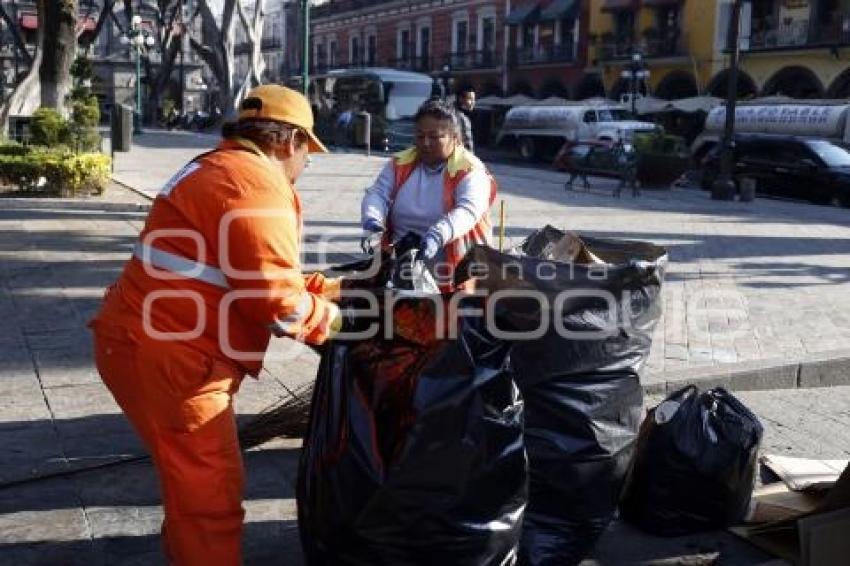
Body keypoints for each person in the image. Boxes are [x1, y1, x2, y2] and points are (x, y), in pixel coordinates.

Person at [89, 85, 343, 565]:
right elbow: (281, 306)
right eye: (308, 149)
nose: (306, 163)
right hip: (175, 358)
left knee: (189, 482)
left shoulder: (214, 167)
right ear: (289, 141)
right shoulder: (254, 185)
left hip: (140, 340)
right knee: (210, 497)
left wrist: (331, 287)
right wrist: (344, 322)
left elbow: (244, 267)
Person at [360, 99, 496, 290]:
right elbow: (378, 193)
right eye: (420, 135)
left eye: (434, 137)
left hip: (459, 276)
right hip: (403, 268)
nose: (425, 143)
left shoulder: (470, 170)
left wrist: (437, 235)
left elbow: (467, 211)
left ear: (455, 138)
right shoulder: (400, 163)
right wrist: (372, 222)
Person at [454, 86, 476, 151]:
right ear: (461, 99)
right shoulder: (459, 117)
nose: (473, 102)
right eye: (470, 99)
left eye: (474, 100)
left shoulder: (453, 113)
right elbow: (467, 142)